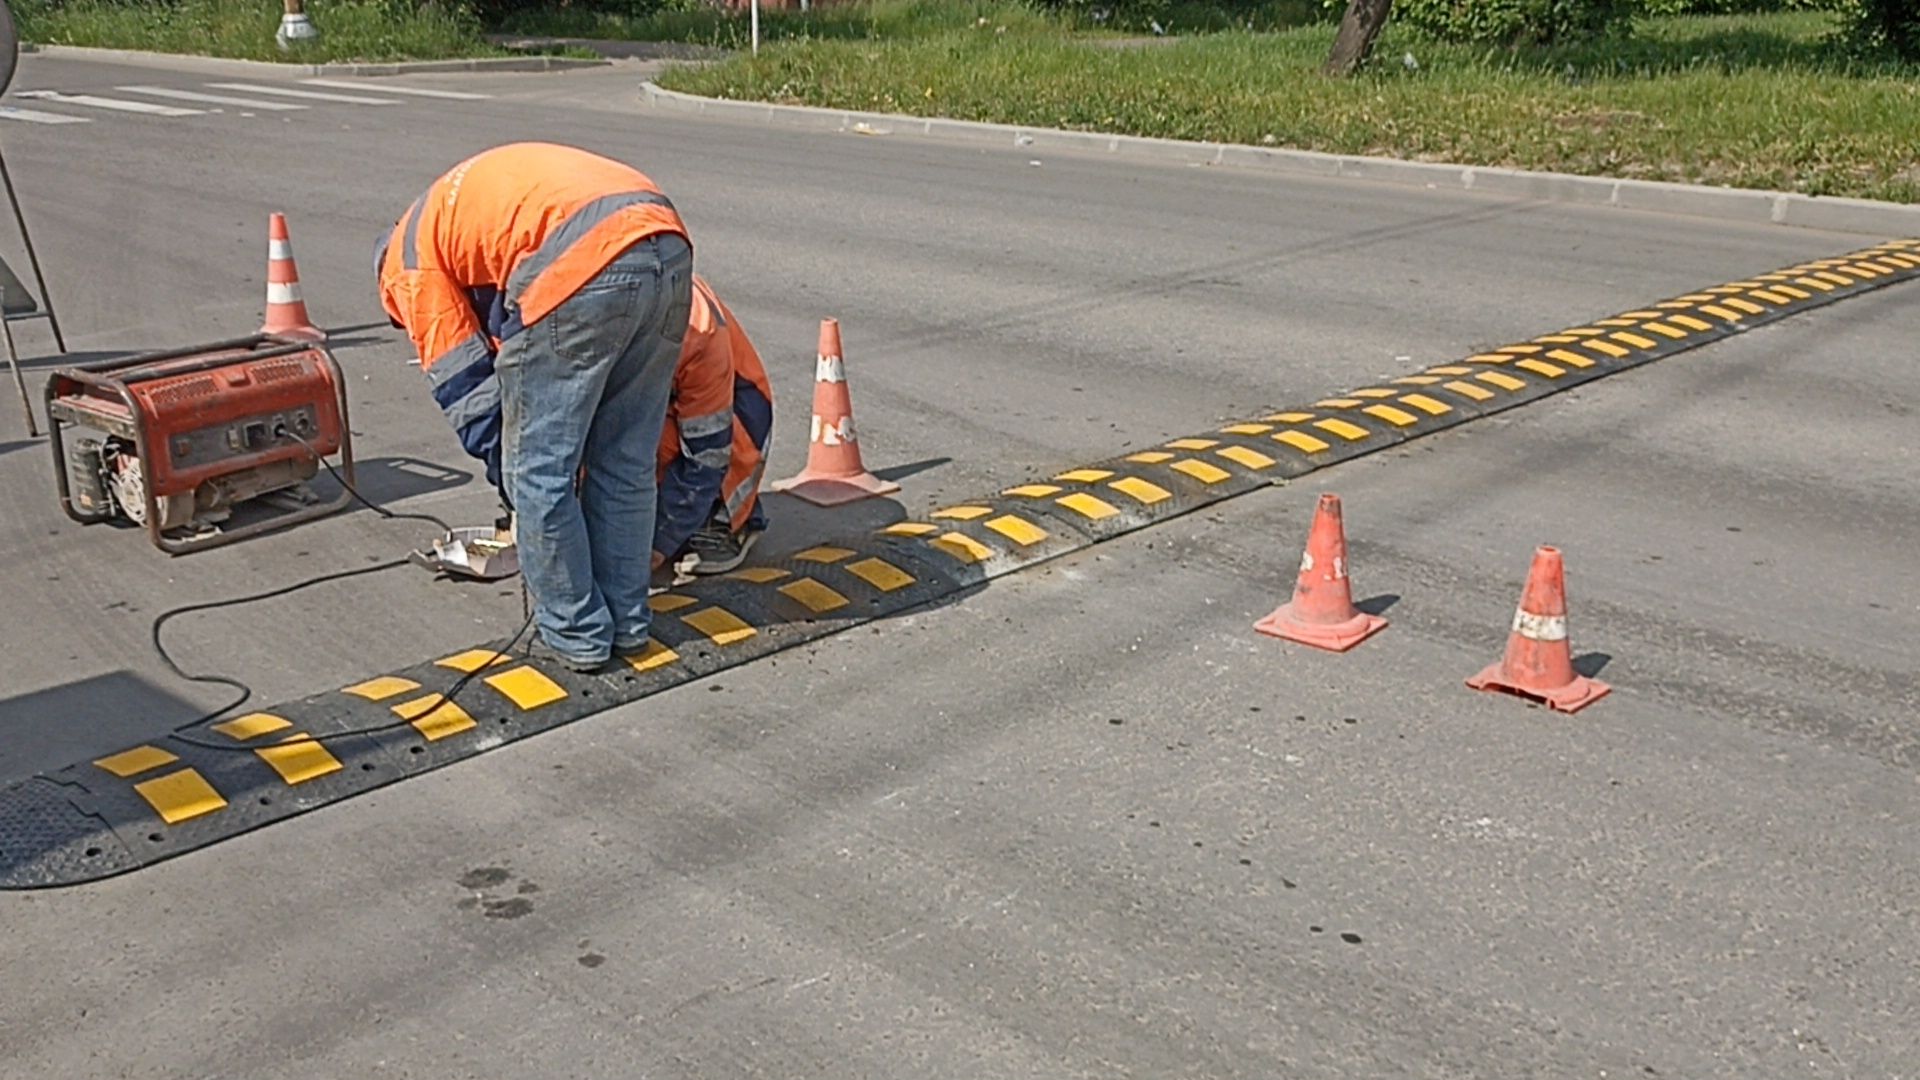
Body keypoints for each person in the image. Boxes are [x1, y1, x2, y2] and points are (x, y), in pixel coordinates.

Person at [376, 142, 693, 673]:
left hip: (581, 263)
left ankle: (577, 633)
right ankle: (626, 621)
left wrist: (518, 487)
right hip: (664, 241)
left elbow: (469, 395)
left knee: (539, 472)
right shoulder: (452, 216)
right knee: (626, 461)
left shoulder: (408, 267)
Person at [653, 275, 775, 576]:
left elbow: (707, 453)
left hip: (736, 414)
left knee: (645, 441)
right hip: (669, 398)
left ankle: (724, 516)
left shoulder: (694, 330)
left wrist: (659, 543)